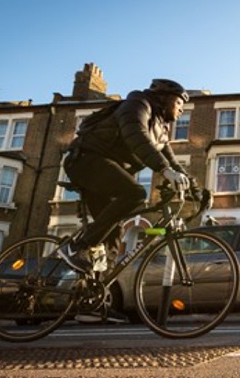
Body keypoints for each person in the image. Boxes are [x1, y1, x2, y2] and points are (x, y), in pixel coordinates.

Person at [57, 79, 193, 321]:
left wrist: (198, 190)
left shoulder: (161, 131)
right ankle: (75, 247)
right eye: (180, 101)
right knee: (135, 194)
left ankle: (91, 303)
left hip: (106, 170)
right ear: (163, 97)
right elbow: (136, 136)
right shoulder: (138, 104)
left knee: (112, 234)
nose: (182, 107)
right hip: (86, 160)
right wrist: (163, 170)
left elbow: (174, 164)